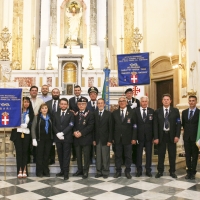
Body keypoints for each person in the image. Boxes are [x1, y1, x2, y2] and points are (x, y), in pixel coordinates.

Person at [154, 93, 181, 178]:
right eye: (164, 99)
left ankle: (172, 171)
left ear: (170, 101)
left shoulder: (175, 111)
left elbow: (178, 124)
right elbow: (155, 125)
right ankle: (160, 171)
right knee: (161, 155)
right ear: (162, 101)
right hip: (161, 136)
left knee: (172, 155)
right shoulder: (157, 111)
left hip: (172, 136)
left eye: (167, 99)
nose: (166, 101)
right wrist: (156, 137)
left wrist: (177, 136)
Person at [10, 97, 34, 178]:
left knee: (25, 152)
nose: (26, 103)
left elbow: (32, 122)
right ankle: (19, 170)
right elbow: (12, 120)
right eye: (25, 102)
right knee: (19, 152)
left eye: (28, 102)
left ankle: (24, 170)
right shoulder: (17, 111)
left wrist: (27, 125)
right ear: (21, 103)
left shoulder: (30, 112)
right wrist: (18, 124)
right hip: (17, 133)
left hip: (26, 133)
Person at [112, 96, 135, 179]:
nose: (122, 102)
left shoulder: (132, 112)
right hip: (117, 138)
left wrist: (134, 138)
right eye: (120, 101)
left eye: (123, 101)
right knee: (118, 155)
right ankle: (118, 171)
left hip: (128, 138)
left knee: (128, 156)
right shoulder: (114, 113)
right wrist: (112, 138)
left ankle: (127, 171)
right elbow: (112, 127)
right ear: (118, 103)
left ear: (126, 103)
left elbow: (134, 126)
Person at [53, 98, 74, 180]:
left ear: (67, 105)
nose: (63, 105)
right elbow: (53, 125)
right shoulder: (55, 113)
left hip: (67, 138)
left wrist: (63, 133)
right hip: (58, 138)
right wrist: (57, 133)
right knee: (60, 155)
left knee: (66, 156)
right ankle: (62, 170)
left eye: (65, 104)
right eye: (62, 104)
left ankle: (66, 173)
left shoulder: (71, 113)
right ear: (59, 105)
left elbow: (71, 125)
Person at [132, 96, 154, 177]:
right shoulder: (135, 111)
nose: (144, 103)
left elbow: (154, 125)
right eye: (142, 101)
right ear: (140, 102)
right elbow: (134, 125)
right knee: (139, 154)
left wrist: (154, 137)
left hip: (149, 137)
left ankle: (148, 170)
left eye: (145, 101)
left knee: (149, 154)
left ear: (147, 102)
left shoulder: (151, 111)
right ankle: (139, 170)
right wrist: (134, 137)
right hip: (139, 136)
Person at [73, 97, 94, 179]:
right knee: (78, 156)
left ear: (86, 105)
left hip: (86, 138)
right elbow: (73, 124)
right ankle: (80, 170)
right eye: (79, 104)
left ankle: (85, 171)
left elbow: (90, 126)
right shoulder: (75, 114)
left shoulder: (90, 114)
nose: (81, 105)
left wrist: (81, 133)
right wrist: (74, 132)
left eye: (83, 104)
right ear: (78, 105)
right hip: (77, 138)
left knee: (86, 156)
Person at [31, 103, 53, 177]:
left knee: (47, 156)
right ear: (40, 110)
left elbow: (53, 128)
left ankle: (45, 171)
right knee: (39, 156)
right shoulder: (37, 118)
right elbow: (33, 128)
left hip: (49, 140)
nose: (44, 109)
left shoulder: (50, 118)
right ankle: (39, 172)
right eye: (43, 108)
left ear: (47, 109)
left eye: (46, 108)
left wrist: (53, 139)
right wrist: (34, 138)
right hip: (39, 140)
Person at [93, 98, 112, 179]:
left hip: (106, 139)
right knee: (98, 156)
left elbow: (111, 128)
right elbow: (93, 128)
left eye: (102, 103)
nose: (100, 104)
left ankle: (105, 171)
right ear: (97, 105)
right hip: (97, 139)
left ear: (104, 104)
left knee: (105, 156)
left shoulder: (109, 114)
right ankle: (99, 171)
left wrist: (110, 140)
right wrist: (93, 139)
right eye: (99, 103)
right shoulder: (94, 114)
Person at [182, 95, 199, 180]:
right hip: (186, 138)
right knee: (187, 155)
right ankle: (188, 172)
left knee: (195, 155)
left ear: (196, 102)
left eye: (193, 100)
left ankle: (193, 172)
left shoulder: (199, 112)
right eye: (190, 100)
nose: (191, 102)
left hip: (195, 138)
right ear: (188, 102)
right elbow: (184, 124)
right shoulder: (184, 112)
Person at [69, 85, 87, 161]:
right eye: (75, 90)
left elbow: (86, 108)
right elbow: (69, 109)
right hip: (74, 120)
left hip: (83, 120)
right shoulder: (71, 100)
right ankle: (74, 155)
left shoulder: (84, 99)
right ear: (74, 91)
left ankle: (82, 154)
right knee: (74, 139)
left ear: (80, 91)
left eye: (78, 90)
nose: (77, 91)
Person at [125, 88, 140, 165]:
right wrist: (130, 108)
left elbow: (140, 110)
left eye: (130, 93)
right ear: (126, 95)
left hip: (135, 122)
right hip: (127, 125)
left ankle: (134, 159)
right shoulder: (124, 101)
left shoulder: (136, 101)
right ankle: (126, 160)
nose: (129, 94)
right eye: (127, 93)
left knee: (134, 143)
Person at [46, 88, 61, 165]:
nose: (55, 94)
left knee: (60, 143)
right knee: (50, 143)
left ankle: (60, 158)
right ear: (51, 93)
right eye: (54, 92)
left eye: (57, 92)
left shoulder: (63, 103)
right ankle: (51, 159)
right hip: (49, 126)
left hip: (60, 127)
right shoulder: (47, 103)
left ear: (59, 93)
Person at [29, 86, 44, 163]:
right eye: (32, 90)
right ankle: (28, 157)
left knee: (36, 139)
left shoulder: (40, 101)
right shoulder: (26, 100)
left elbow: (43, 110)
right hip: (27, 122)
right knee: (28, 140)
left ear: (37, 92)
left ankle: (35, 157)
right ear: (30, 92)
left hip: (37, 122)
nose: (34, 92)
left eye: (35, 90)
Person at [87, 86, 98, 164]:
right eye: (91, 94)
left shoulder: (101, 103)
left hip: (98, 128)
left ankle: (98, 158)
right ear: (89, 95)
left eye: (94, 94)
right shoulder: (86, 104)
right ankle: (90, 158)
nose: (93, 95)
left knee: (98, 145)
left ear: (97, 95)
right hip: (89, 128)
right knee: (89, 145)